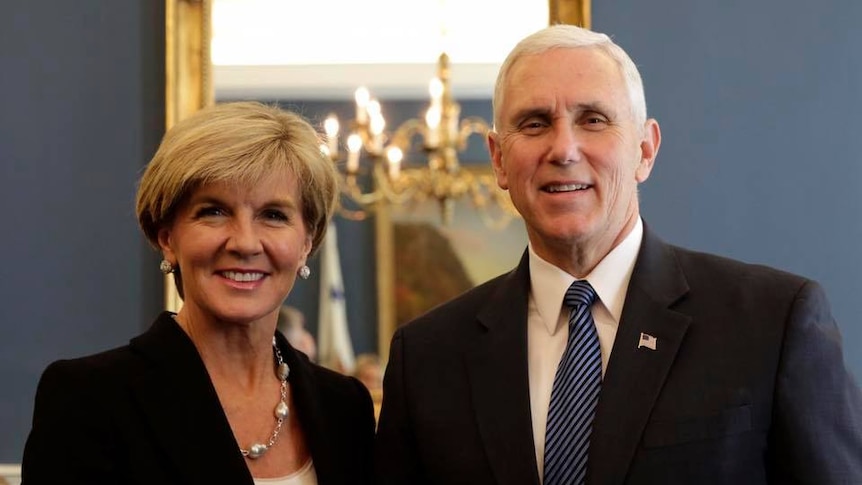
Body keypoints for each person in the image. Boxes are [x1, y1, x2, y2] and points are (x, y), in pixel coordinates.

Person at [374, 24, 862, 484]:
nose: (563, 149)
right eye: (535, 123)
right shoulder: (426, 358)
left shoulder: (772, 323)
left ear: (645, 151)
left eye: (593, 120)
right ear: (499, 159)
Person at [23, 102, 375, 484]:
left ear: (307, 242)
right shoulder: (89, 398)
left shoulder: (345, 407)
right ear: (167, 238)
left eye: (274, 215)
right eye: (214, 211)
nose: (244, 242)